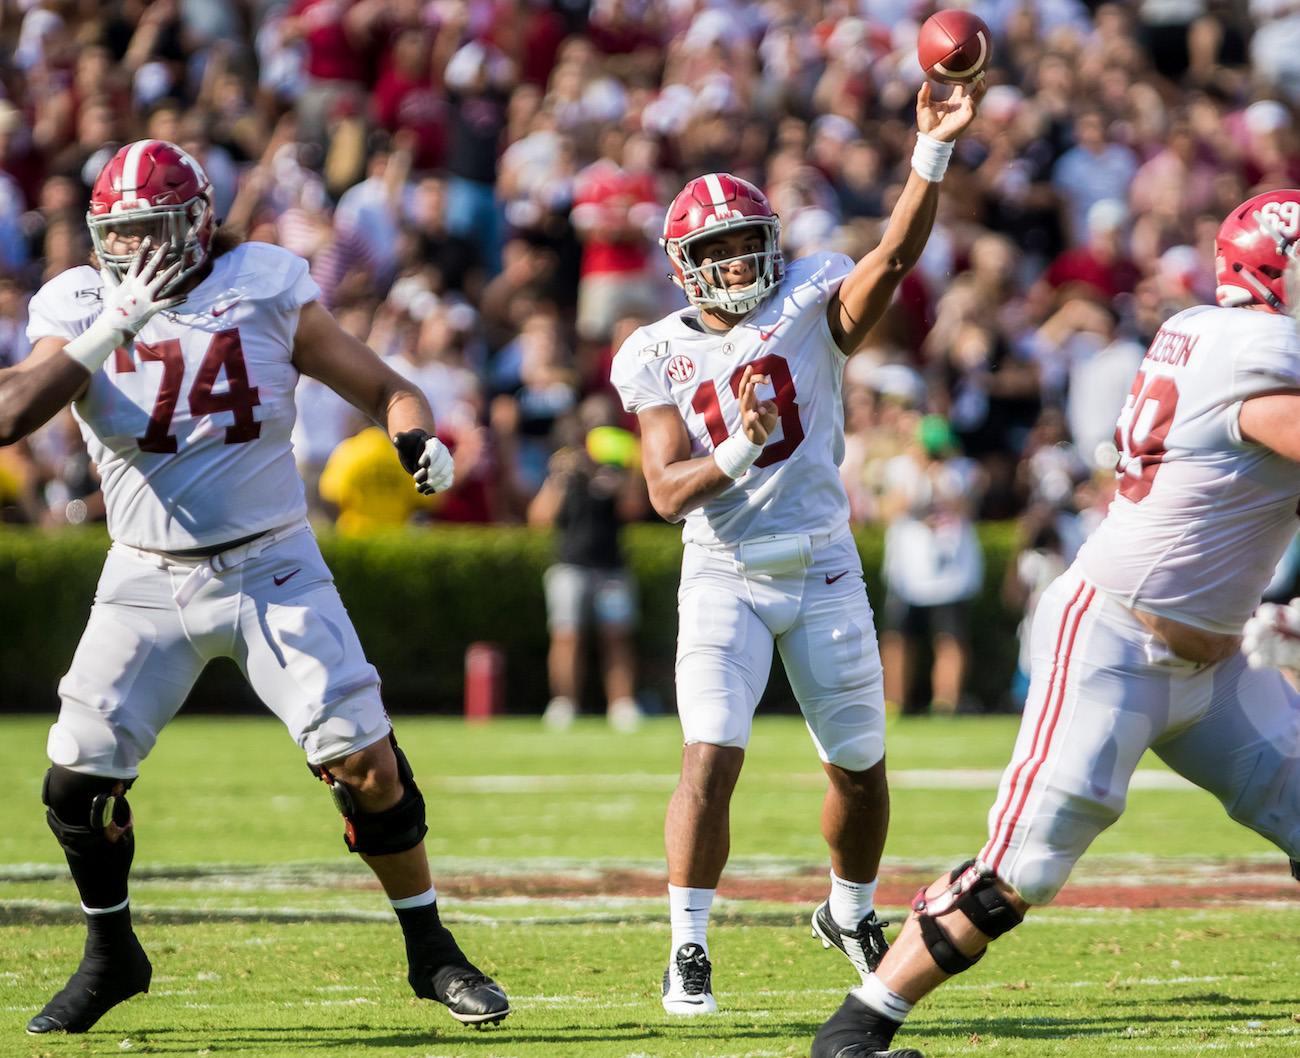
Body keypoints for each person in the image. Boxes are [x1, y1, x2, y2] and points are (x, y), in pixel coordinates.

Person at [0, 140, 510, 1035]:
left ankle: (432, 952)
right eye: (120, 235)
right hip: (143, 572)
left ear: (198, 225)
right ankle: (111, 951)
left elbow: (388, 386)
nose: (137, 252)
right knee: (74, 786)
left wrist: (415, 437)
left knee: (367, 765)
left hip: (270, 564)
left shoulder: (265, 282)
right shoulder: (83, 300)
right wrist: (112, 322)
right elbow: (10, 413)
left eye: (155, 231)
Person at [811, 188, 1300, 1058]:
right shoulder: (1257, 351)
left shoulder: (1212, 330)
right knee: (1019, 874)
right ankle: (855, 1032)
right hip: (1114, 639)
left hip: (1220, 662)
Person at [609, 82, 982, 1015]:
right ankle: (688, 944)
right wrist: (736, 443)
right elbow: (662, 493)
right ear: (683, 265)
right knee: (710, 756)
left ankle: (850, 911)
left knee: (859, 771)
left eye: (747, 241)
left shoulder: (812, 295)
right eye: (718, 249)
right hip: (724, 570)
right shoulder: (653, 351)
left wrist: (927, 154)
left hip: (821, 563)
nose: (738, 261)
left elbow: (893, 256)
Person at [527, 395, 648, 732]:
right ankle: (564, 704)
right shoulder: (564, 466)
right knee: (567, 636)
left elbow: (635, 509)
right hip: (569, 565)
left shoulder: (620, 462)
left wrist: (611, 478)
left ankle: (622, 704)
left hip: (612, 566)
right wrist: (559, 479)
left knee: (617, 636)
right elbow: (539, 519)